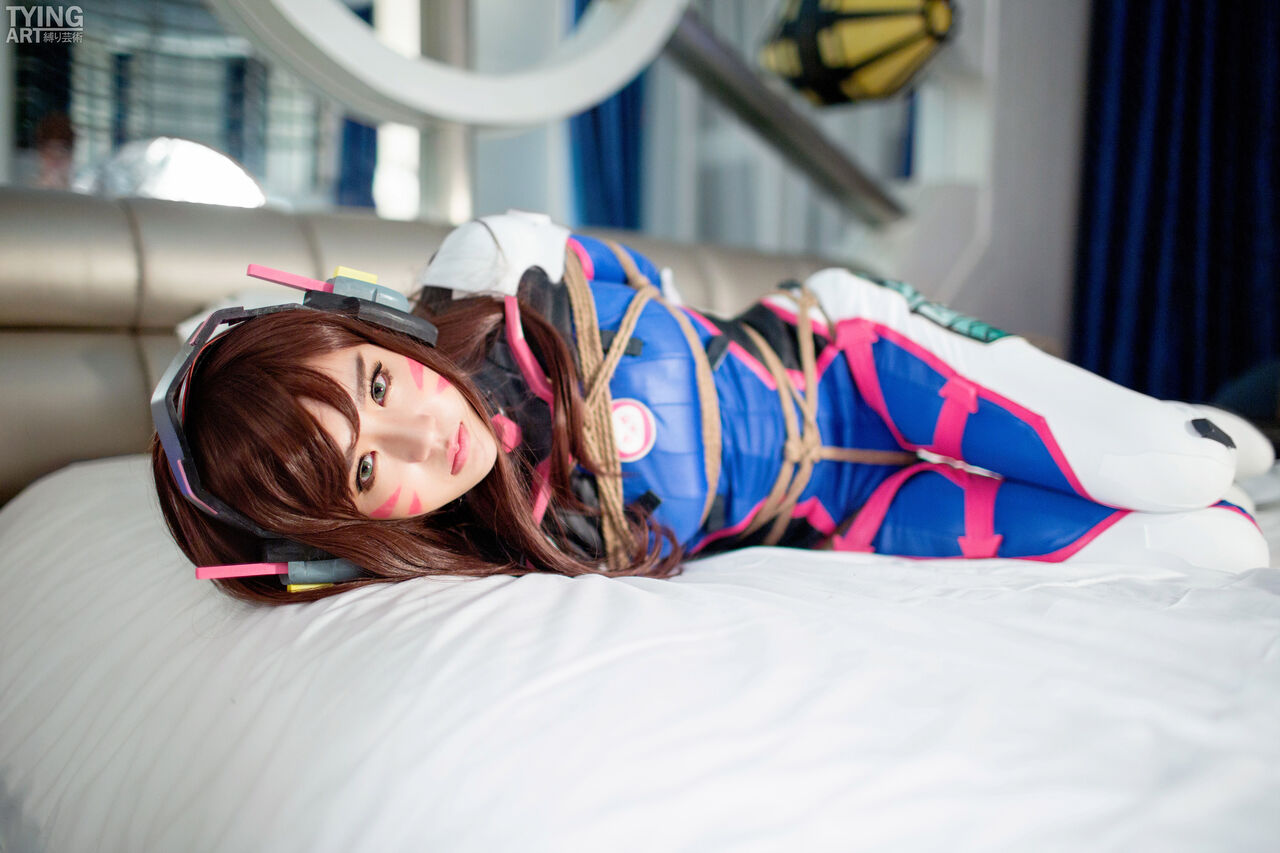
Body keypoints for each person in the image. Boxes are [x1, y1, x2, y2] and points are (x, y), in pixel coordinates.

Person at [151, 211, 1270, 605]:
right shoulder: (513, 556)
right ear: (342, 545)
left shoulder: (500, 281)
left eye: (376, 383)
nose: (421, 432)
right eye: (365, 471)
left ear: (370, 318)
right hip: (846, 516)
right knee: (1218, 548)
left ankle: (1217, 434)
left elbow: (649, 287)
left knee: (1178, 464)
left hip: (846, 356)